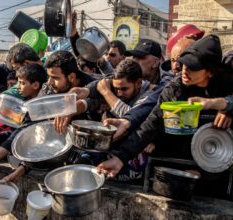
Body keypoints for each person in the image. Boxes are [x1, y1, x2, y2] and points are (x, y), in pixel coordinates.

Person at [97, 35, 233, 200]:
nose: (184, 71)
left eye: (193, 67)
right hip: (177, 167)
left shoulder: (227, 82)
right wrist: (120, 158)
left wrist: (227, 108)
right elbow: (150, 125)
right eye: (184, 64)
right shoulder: (175, 89)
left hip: (217, 171)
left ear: (210, 72)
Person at [0, 63, 47, 181]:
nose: (18, 87)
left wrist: (1, 151)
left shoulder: (41, 108)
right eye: (18, 83)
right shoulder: (26, 102)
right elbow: (17, 130)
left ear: (35, 85)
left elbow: (26, 132)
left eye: (22, 83)